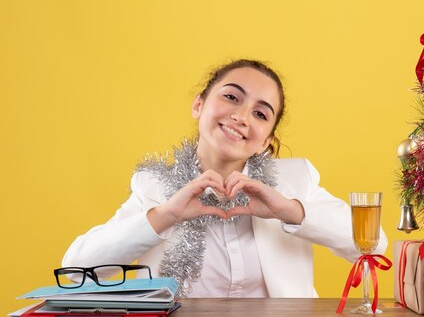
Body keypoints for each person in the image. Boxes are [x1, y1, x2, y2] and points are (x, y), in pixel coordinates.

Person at [62, 59, 388, 298]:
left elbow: (375, 243)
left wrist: (288, 210)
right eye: (231, 97)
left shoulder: (293, 180)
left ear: (265, 141)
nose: (241, 116)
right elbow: (75, 271)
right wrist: (165, 216)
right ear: (198, 105)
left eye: (260, 114)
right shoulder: (155, 186)